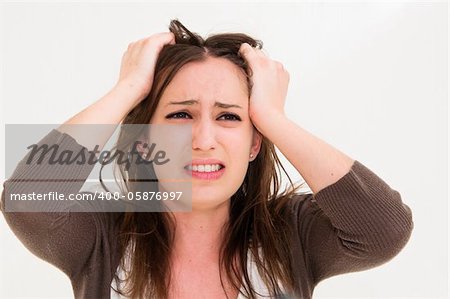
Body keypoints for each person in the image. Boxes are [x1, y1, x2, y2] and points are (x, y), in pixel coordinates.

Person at [1, 19, 413, 299]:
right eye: (180, 114)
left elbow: (384, 230)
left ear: (256, 144)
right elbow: (27, 199)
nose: (203, 139)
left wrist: (272, 118)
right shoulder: (102, 234)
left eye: (229, 117)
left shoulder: (293, 235)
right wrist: (127, 88)